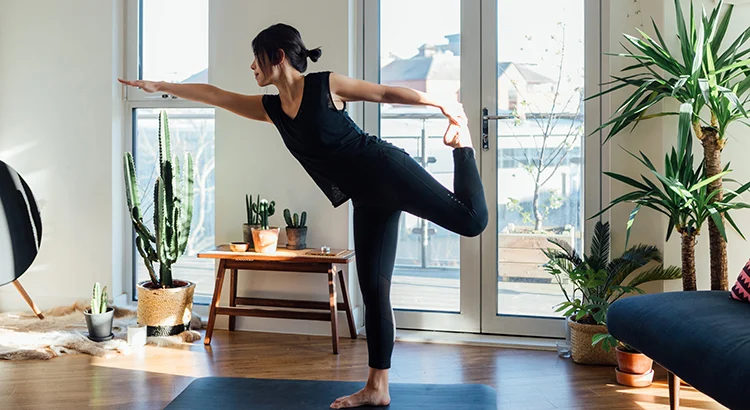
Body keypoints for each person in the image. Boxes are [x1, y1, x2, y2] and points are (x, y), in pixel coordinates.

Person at [120, 23, 488, 409]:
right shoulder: (273, 109)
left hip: (387, 169)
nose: (251, 67)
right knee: (376, 292)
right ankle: (377, 388)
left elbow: (382, 92)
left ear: (277, 56)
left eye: (256, 58)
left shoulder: (326, 85)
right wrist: (162, 84)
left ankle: (462, 147)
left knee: (471, 222)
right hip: (366, 198)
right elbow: (216, 95)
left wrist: (439, 104)